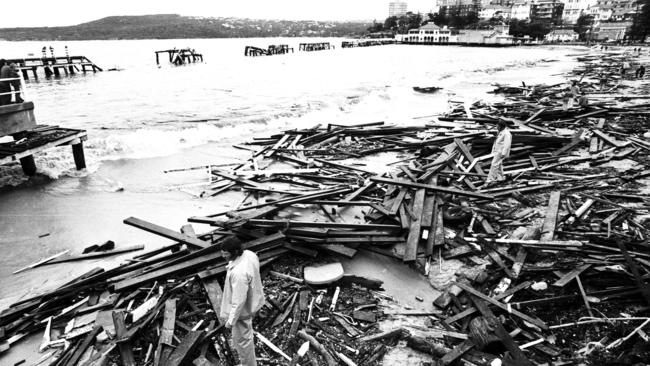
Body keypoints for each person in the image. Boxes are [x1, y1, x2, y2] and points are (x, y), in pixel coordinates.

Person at [220, 237, 264, 366]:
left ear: (235, 252)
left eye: (226, 253)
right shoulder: (250, 255)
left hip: (242, 312)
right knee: (246, 336)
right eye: (222, 252)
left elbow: (238, 301)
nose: (223, 256)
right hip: (254, 301)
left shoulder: (239, 273)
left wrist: (230, 321)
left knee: (242, 341)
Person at [485, 120, 512, 187]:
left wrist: (504, 153)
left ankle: (490, 180)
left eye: (498, 126)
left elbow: (507, 144)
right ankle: (501, 178)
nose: (497, 128)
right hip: (497, 151)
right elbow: (497, 142)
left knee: (494, 164)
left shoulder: (506, 133)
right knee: (498, 164)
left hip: (501, 152)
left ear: (501, 126)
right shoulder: (500, 132)